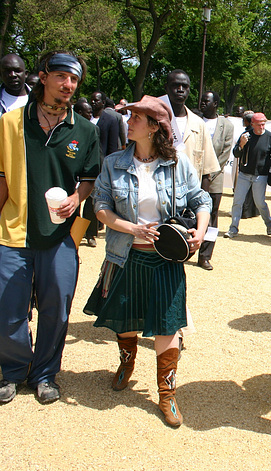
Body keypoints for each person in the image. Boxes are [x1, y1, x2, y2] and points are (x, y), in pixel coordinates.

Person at [83, 95, 211, 427]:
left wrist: (199, 230)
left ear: (154, 127)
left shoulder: (177, 163)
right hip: (124, 257)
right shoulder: (113, 163)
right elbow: (100, 206)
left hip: (166, 261)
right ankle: (126, 362)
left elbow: (201, 199)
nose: (128, 121)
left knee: (168, 326)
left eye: (135, 117)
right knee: (125, 320)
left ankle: (166, 394)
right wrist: (132, 227)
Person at [0, 51, 100, 404]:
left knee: (57, 307)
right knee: (8, 307)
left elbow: (88, 177)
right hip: (13, 231)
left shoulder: (86, 130)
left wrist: (78, 196)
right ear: (43, 78)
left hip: (60, 236)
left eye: (73, 80)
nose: (68, 85)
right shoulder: (11, 123)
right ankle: (12, 371)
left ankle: (44, 374)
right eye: (61, 77)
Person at [161, 70, 219, 265]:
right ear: (166, 88)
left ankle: (204, 256)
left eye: (185, 86)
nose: (180, 90)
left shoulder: (198, 124)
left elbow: (207, 169)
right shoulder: (156, 119)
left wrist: (201, 202)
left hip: (188, 194)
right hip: (161, 192)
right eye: (175, 85)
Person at [198, 90, 234, 269]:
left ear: (216, 104)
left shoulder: (226, 126)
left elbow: (224, 154)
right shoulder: (194, 121)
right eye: (202, 100)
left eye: (206, 101)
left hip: (214, 180)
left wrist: (208, 175)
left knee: (211, 218)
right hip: (192, 178)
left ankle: (205, 255)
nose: (202, 103)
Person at [225, 112, 271, 238]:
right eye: (259, 125)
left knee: (260, 203)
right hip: (244, 174)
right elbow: (236, 154)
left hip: (260, 176)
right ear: (252, 124)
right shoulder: (246, 136)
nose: (262, 127)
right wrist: (241, 144)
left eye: (263, 124)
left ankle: (269, 223)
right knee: (237, 201)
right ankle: (233, 228)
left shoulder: (270, 137)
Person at [83, 91, 121, 248]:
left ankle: (92, 233)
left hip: (100, 165)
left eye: (97, 100)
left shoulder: (110, 119)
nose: (93, 102)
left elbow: (113, 146)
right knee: (84, 199)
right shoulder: (84, 117)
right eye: (92, 100)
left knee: (94, 199)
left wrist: (110, 168)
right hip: (84, 164)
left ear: (103, 102)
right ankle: (84, 231)